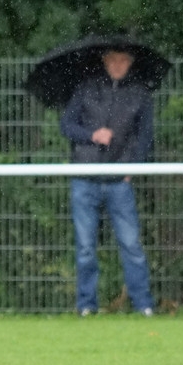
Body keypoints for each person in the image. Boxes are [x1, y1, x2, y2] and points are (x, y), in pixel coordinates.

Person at [60, 48, 155, 317]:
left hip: (119, 180)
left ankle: (143, 304)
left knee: (131, 244)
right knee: (85, 247)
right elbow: (67, 125)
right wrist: (92, 135)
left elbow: (145, 135)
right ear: (104, 61)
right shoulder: (86, 89)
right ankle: (86, 306)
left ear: (131, 63)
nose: (117, 65)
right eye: (113, 59)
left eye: (123, 60)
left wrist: (132, 168)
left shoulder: (139, 94)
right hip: (85, 177)